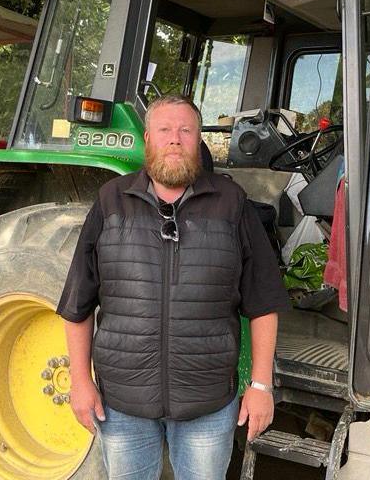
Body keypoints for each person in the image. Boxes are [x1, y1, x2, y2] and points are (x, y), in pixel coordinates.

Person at [57, 95, 290, 479]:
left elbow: (263, 302)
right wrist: (80, 383)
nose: (175, 140)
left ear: (198, 140)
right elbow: (77, 304)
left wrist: (261, 383)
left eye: (185, 130)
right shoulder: (111, 202)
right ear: (148, 139)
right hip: (122, 404)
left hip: (207, 404)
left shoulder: (232, 205)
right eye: (164, 130)